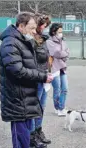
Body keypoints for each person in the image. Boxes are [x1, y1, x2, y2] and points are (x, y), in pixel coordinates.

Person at [0, 12, 53, 148]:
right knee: (20, 138)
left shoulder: (23, 41)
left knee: (25, 138)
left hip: (26, 97)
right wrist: (42, 76)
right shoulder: (10, 43)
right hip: (17, 99)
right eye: (32, 28)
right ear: (21, 26)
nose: (34, 32)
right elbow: (17, 70)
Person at [30, 14, 52, 146]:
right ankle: (32, 135)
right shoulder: (31, 40)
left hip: (44, 78)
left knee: (41, 107)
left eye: (45, 25)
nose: (44, 27)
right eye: (42, 25)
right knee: (34, 108)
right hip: (36, 78)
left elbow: (46, 58)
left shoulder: (43, 40)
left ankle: (38, 131)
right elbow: (32, 60)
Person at [46, 23, 70, 117]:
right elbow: (56, 53)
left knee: (65, 89)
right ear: (53, 32)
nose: (61, 33)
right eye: (59, 32)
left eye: (61, 32)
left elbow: (67, 52)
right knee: (57, 89)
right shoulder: (49, 42)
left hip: (62, 68)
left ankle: (60, 107)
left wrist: (63, 54)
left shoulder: (63, 41)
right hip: (54, 69)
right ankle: (59, 108)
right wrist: (64, 53)